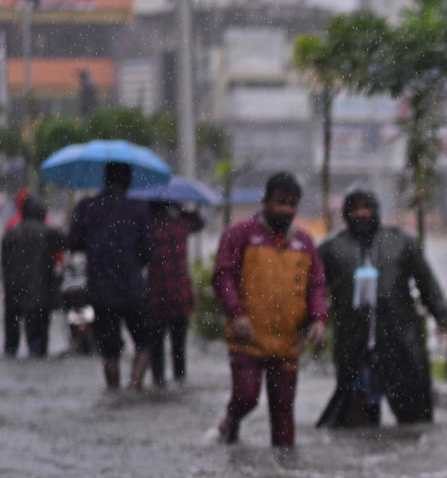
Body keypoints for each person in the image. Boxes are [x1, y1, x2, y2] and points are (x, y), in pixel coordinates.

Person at [316, 189, 447, 428]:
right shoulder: (332, 249)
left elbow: (427, 283)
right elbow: (313, 289)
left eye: (366, 208)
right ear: (346, 214)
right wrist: (312, 321)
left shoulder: (401, 243)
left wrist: (443, 319)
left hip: (399, 344)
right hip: (354, 348)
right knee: (357, 423)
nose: (361, 214)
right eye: (355, 209)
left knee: (414, 418)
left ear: (376, 211)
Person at [212, 172, 327, 448]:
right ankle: (231, 420)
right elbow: (223, 275)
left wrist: (319, 319)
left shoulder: (305, 242)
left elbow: (317, 285)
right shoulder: (240, 234)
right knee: (247, 396)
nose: (286, 210)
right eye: (280, 202)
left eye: (292, 204)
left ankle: (284, 476)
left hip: (288, 342)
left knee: (284, 414)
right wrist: (236, 313)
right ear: (265, 201)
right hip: (247, 337)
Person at [68, 161, 153, 390]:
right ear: (128, 181)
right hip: (132, 288)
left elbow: (73, 243)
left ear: (104, 179)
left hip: (100, 288)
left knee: (110, 352)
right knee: (144, 344)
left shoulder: (88, 206)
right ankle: (134, 388)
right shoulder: (139, 208)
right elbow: (148, 251)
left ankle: (114, 392)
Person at [145, 202, 205, 387]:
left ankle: (159, 381)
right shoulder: (179, 225)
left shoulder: (148, 227)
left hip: (155, 297)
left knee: (156, 346)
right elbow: (200, 223)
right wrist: (183, 210)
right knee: (179, 346)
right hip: (180, 296)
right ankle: (180, 381)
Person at [2, 195, 65, 358]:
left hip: (14, 292)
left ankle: (12, 350)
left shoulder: (11, 234)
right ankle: (35, 351)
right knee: (38, 341)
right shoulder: (49, 233)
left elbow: (3, 262)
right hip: (41, 293)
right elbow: (69, 243)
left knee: (11, 340)